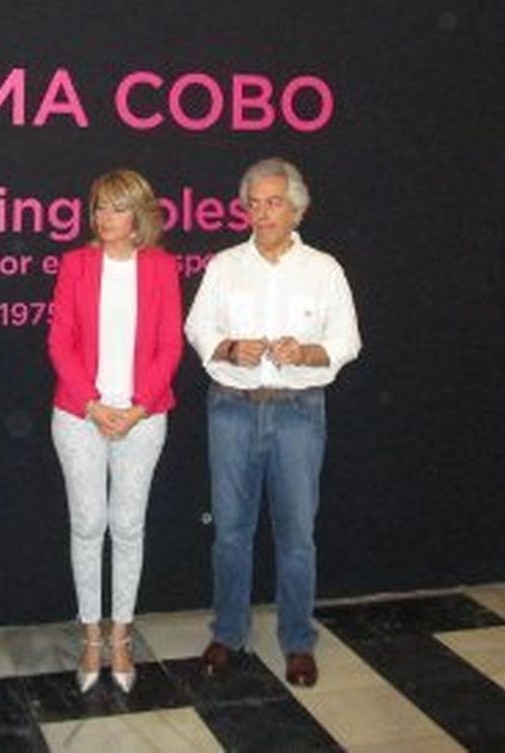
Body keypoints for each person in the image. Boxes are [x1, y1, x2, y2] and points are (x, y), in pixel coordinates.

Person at [183, 157, 361, 689]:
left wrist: (306, 352)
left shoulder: (325, 269)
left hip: (298, 414)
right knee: (231, 534)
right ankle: (228, 632)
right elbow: (197, 327)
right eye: (254, 204)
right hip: (232, 408)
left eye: (273, 203)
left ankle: (298, 641)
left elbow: (347, 341)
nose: (261, 213)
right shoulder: (224, 265)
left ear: (298, 208)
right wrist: (231, 347)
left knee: (297, 536)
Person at [46, 169, 182, 695]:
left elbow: (170, 345)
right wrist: (93, 403)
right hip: (80, 416)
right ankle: (90, 635)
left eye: (117, 208)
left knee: (127, 525)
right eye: (99, 207)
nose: (105, 218)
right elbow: (60, 342)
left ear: (139, 216)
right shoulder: (75, 264)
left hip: (143, 417)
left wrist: (138, 405)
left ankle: (121, 633)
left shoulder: (162, 267)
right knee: (88, 524)